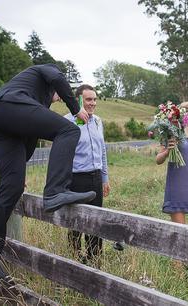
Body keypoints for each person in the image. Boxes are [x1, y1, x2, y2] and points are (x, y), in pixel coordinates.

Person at [0, 64, 97, 283]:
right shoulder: (44, 71)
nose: (57, 99)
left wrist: (20, 173)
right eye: (57, 96)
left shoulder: (34, 104)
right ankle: (56, 191)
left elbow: (28, 144)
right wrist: (76, 108)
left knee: (11, 188)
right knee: (69, 130)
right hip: (6, 106)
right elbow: (57, 77)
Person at [64, 84, 114, 264]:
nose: (93, 103)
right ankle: (75, 260)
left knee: (96, 221)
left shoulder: (98, 121)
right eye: (88, 99)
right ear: (78, 100)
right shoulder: (68, 121)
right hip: (76, 178)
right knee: (75, 221)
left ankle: (94, 260)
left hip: (95, 177)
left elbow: (102, 152)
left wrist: (105, 177)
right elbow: (63, 155)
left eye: (94, 99)